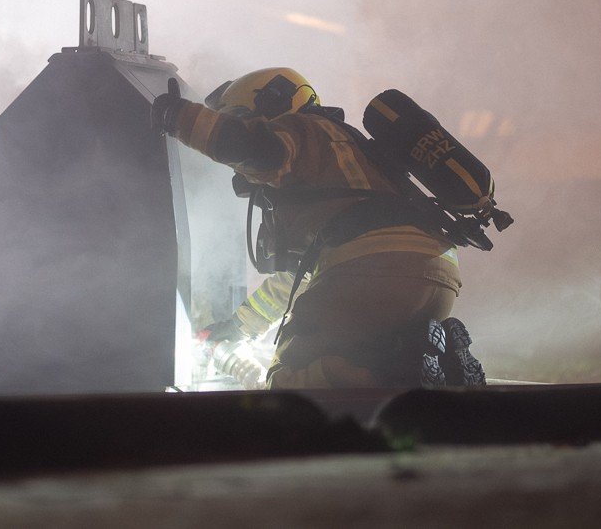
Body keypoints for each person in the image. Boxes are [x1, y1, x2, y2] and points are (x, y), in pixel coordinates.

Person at [151, 67, 487, 389]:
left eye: (244, 117)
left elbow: (256, 150)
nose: (245, 126)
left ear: (273, 104)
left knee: (287, 375)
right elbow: (302, 278)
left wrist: (179, 116)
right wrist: (237, 328)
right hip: (439, 276)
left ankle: (397, 372)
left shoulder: (299, 129)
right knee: (354, 353)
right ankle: (436, 367)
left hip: (371, 269)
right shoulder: (355, 153)